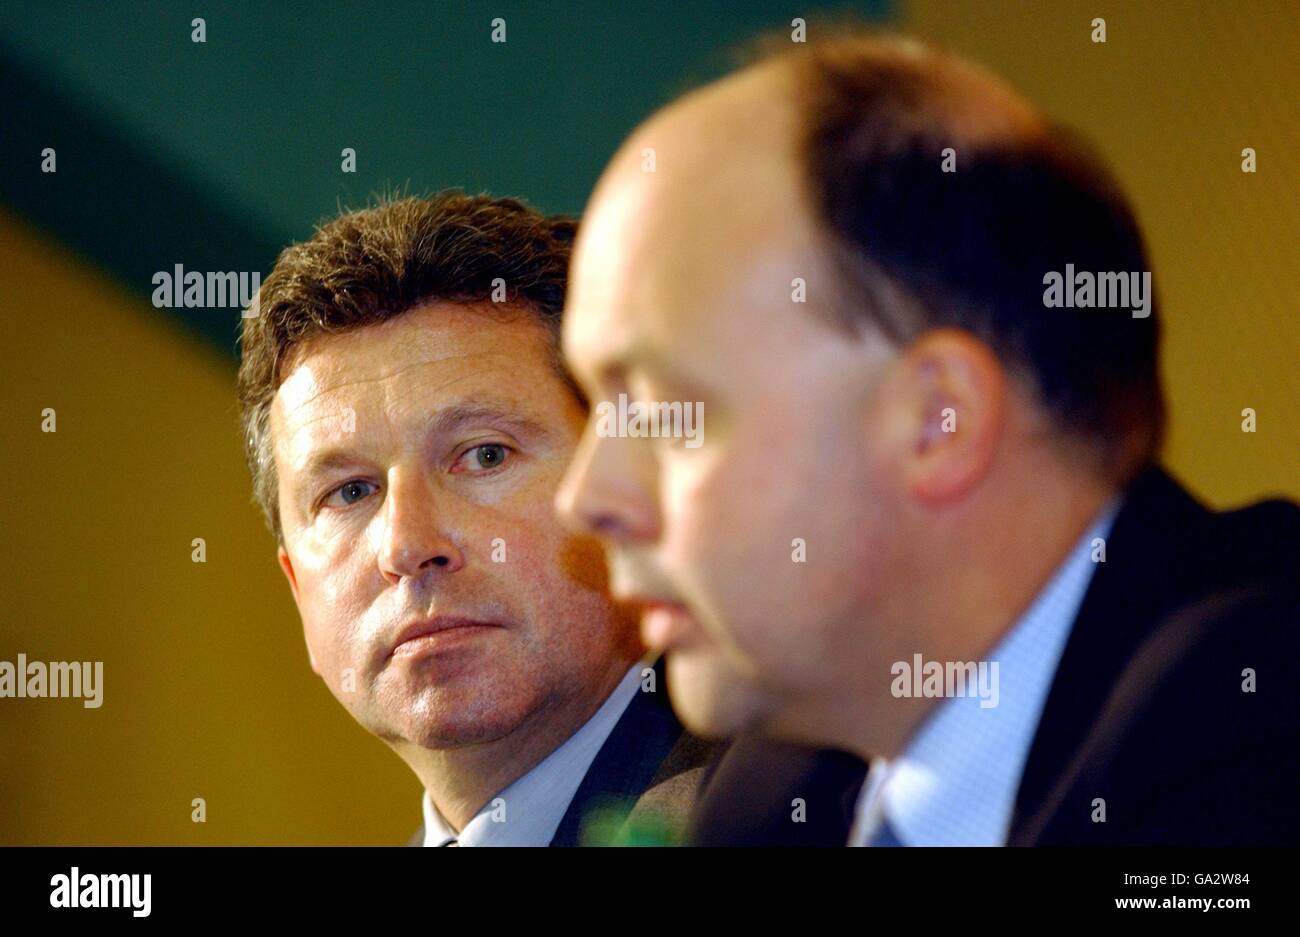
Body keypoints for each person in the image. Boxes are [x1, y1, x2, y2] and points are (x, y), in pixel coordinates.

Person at [556, 32, 1298, 845]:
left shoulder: (1261, 723)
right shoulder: (765, 800)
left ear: (938, 421)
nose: (584, 499)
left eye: (664, 412)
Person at [237, 192, 714, 846]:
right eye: (349, 492)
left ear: (626, 490)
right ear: (296, 585)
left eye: (484, 454)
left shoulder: (799, 812)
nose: (407, 543)